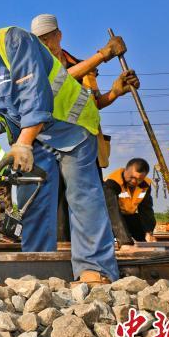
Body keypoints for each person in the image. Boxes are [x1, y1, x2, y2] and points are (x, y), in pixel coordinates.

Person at [0, 16, 119, 285]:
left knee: (82, 196)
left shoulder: (13, 40)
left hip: (71, 125)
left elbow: (35, 95)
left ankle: (96, 270)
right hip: (36, 135)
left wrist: (23, 143)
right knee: (33, 201)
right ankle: (38, 267)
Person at [30, 14, 139, 242]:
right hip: (50, 145)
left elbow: (95, 103)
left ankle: (94, 252)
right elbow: (61, 80)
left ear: (58, 36)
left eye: (47, 39)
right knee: (57, 202)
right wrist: (103, 54)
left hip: (84, 144)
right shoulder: (38, 67)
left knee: (88, 200)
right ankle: (60, 254)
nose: (44, 45)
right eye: (39, 41)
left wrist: (116, 92)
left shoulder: (85, 70)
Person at [103, 158, 156, 244]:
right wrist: (125, 241)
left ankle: (145, 242)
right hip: (107, 218)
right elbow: (113, 212)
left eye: (139, 179)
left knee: (140, 224)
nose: (134, 181)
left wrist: (149, 231)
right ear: (126, 170)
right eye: (132, 177)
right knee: (109, 225)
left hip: (126, 216)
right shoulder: (112, 182)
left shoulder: (145, 185)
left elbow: (146, 210)